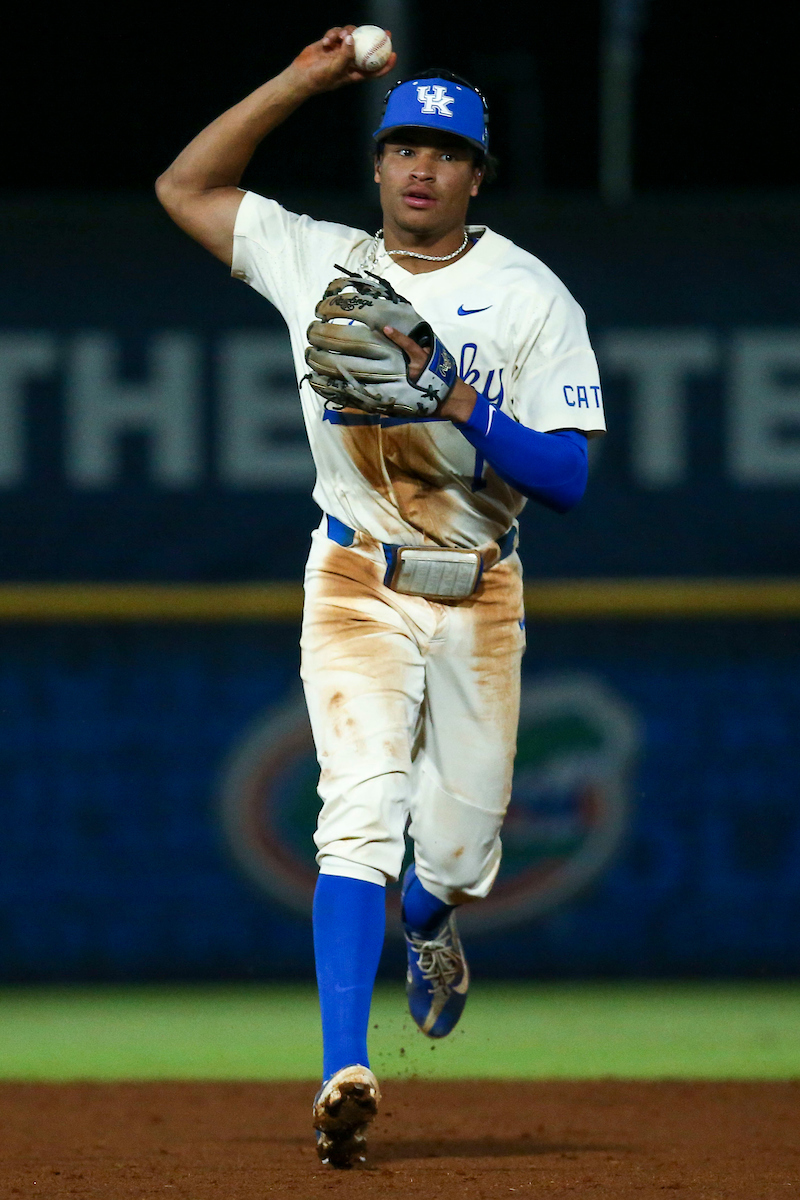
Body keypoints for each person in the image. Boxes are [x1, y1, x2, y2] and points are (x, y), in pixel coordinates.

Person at [156, 25, 605, 1169]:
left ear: (473, 175)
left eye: (443, 152)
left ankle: (432, 924)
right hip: (354, 573)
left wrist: (458, 401)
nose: (418, 167)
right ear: (375, 164)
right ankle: (342, 1070)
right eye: (400, 144)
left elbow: (568, 480)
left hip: (479, 592)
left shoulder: (526, 296)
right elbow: (186, 186)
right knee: (354, 812)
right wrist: (301, 81)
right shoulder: (318, 259)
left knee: (454, 853)